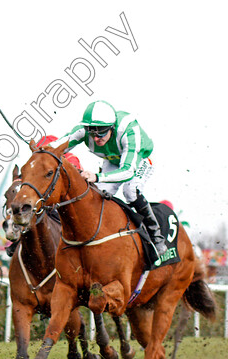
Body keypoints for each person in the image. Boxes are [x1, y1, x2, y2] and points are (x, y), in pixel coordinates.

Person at [51, 100, 167, 257]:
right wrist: (39, 151)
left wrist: (97, 176)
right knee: (99, 197)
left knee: (130, 191)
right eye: (92, 133)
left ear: (112, 127)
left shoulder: (129, 132)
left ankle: (156, 236)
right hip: (112, 160)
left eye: (102, 133)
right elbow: (55, 147)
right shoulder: (83, 131)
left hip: (139, 161)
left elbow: (127, 171)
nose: (97, 138)